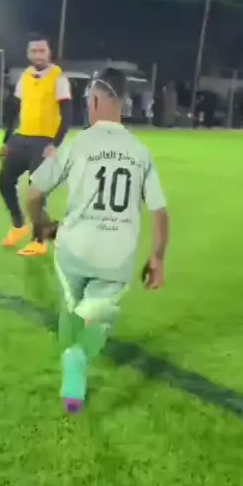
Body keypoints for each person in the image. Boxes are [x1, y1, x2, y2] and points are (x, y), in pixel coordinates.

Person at [27, 67, 169, 413]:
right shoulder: (140, 151)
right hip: (115, 256)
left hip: (73, 249)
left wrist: (42, 225)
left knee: (72, 307)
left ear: (92, 100)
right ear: (123, 101)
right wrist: (157, 257)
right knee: (98, 317)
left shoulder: (77, 144)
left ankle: (70, 361)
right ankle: (79, 356)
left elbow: (32, 193)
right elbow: (160, 212)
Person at [0, 34, 72, 257]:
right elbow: (15, 110)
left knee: (36, 193)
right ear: (28, 53)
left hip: (44, 142)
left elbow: (68, 115)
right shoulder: (25, 76)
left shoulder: (59, 78)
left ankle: (39, 241)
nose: (38, 55)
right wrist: (6, 141)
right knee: (4, 181)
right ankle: (20, 226)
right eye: (34, 51)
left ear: (49, 52)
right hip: (21, 138)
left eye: (42, 50)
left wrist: (55, 144)